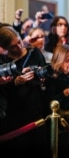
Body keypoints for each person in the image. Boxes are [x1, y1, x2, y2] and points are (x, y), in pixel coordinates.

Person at [0, 24, 50, 158]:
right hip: (14, 114)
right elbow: (2, 89)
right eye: (13, 46)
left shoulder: (34, 52)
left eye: (19, 42)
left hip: (36, 109)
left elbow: (44, 74)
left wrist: (41, 78)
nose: (19, 47)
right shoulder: (3, 61)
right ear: (5, 48)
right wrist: (17, 81)